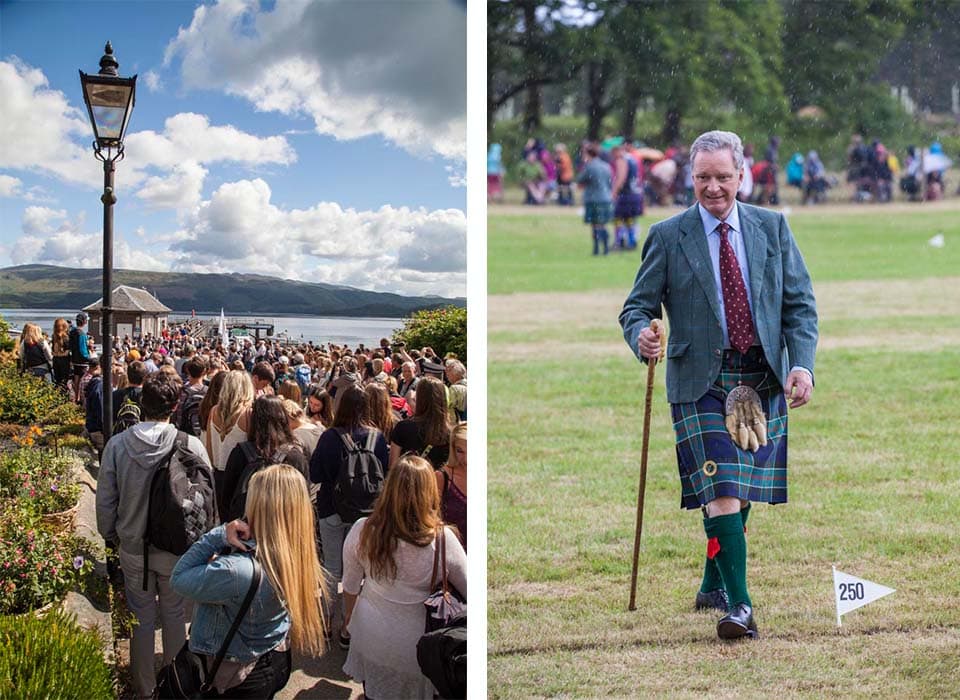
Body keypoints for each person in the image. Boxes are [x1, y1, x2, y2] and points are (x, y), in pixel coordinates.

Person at [619, 130, 818, 641]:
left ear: (741, 174)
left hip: (763, 375)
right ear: (691, 176)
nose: (713, 188)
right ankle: (741, 606)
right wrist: (640, 334)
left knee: (742, 487)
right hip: (699, 380)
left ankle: (712, 582)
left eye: (722, 177)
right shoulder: (669, 235)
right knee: (724, 488)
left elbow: (799, 306)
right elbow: (637, 306)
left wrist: (803, 366)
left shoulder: (772, 228)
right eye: (703, 177)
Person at [96, 372, 215, 698]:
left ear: (141, 404)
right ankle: (176, 685)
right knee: (175, 614)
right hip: (178, 548)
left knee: (141, 617)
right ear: (175, 406)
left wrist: (110, 535)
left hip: (134, 545)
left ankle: (145, 688)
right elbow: (208, 498)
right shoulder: (190, 444)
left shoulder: (118, 445)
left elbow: (106, 500)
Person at [171, 464, 328, 698]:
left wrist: (219, 534)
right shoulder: (298, 554)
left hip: (233, 674)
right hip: (275, 658)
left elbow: (179, 578)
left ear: (259, 508)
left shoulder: (237, 571)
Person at [341, 455, 467, 699]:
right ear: (430, 492)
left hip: (371, 632)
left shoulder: (362, 530)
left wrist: (349, 617)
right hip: (418, 643)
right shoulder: (443, 540)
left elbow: (350, 585)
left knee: (373, 691)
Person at [309, 385, 389, 648]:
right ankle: (349, 626)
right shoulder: (376, 438)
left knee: (332, 567)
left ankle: (326, 622)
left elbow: (316, 474)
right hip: (366, 513)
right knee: (361, 570)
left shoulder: (329, 437)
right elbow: (384, 474)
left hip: (332, 508)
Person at [221, 395, 309, 521]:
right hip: (283, 528)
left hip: (245, 529)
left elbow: (227, 497)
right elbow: (303, 499)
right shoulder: (295, 457)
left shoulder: (241, 453)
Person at [390, 375, 451, 470]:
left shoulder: (403, 427)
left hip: (406, 481)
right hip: (435, 483)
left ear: (419, 398)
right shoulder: (449, 433)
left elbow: (393, 465)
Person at [575, 142, 614, 256]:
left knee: (595, 225)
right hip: (606, 198)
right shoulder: (606, 166)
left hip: (593, 199)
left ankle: (597, 249)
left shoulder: (590, 166)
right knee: (602, 224)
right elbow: (609, 182)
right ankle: (606, 248)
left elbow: (580, 180)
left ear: (588, 154)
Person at [436, 422, 467, 551]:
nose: (466, 459)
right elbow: (430, 519)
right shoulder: (442, 477)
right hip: (452, 553)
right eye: (460, 451)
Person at [610, 145, 643, 250]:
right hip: (634, 193)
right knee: (629, 218)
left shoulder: (622, 159)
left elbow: (621, 178)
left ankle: (618, 242)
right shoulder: (632, 159)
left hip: (625, 194)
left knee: (618, 218)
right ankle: (632, 241)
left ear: (617, 151)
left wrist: (614, 192)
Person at [69, 312, 92, 402]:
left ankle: (76, 398)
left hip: (74, 359)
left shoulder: (72, 331)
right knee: (82, 380)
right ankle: (81, 399)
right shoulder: (82, 334)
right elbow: (83, 350)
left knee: (76, 380)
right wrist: (89, 358)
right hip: (82, 361)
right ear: (84, 321)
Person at [51, 317, 72, 390]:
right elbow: (67, 352)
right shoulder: (66, 338)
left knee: (57, 380)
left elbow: (53, 351)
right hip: (64, 361)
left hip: (56, 360)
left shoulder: (53, 337)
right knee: (64, 381)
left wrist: (56, 354)